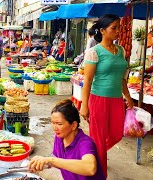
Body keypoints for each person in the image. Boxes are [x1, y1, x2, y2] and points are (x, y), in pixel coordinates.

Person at [80, 14, 134, 178]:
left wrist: (128, 97)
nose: (118, 31)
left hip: (117, 101)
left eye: (119, 27)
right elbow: (88, 80)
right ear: (102, 31)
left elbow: (122, 78)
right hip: (98, 100)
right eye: (114, 28)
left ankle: (90, 154)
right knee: (99, 139)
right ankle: (98, 174)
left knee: (117, 133)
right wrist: (84, 105)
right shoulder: (94, 52)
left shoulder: (121, 50)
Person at [28, 99, 105, 179]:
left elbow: (90, 168)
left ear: (74, 125)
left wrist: (51, 160)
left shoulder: (85, 142)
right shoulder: (59, 137)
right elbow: (61, 163)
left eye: (59, 124)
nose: (55, 128)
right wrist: (41, 163)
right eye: (53, 123)